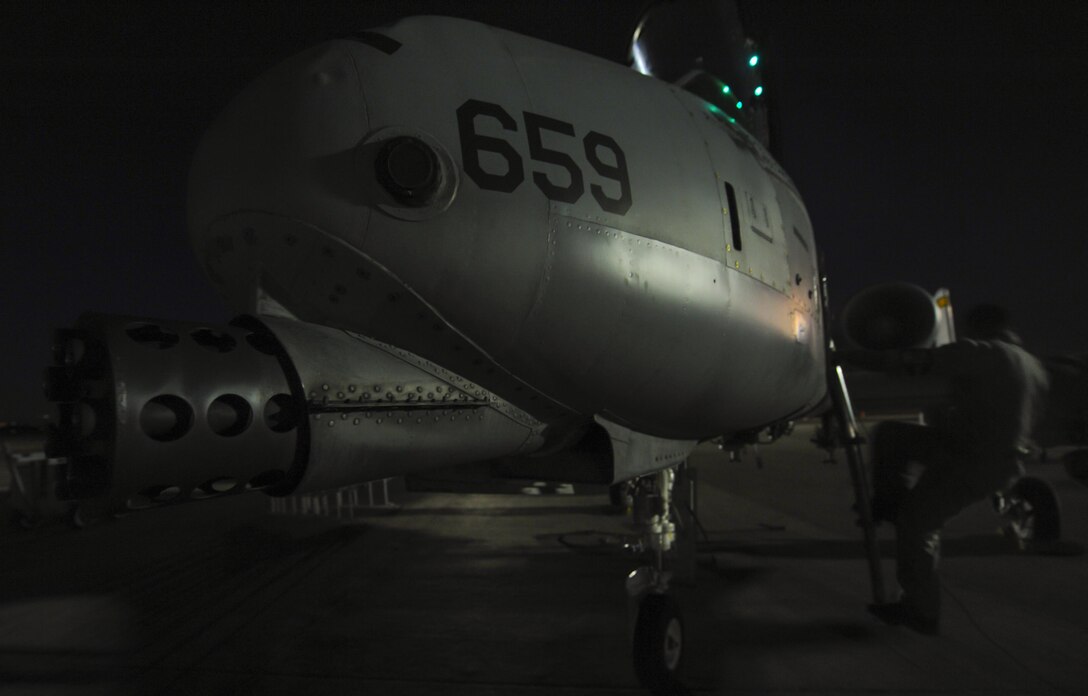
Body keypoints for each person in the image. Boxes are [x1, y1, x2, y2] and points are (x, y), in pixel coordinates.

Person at [841, 304, 1049, 635]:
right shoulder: (1033, 365)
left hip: (971, 459)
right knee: (895, 437)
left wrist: (850, 358)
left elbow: (913, 363)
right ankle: (892, 503)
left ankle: (921, 609)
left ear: (977, 328)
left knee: (917, 523)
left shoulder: (982, 352)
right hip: (999, 460)